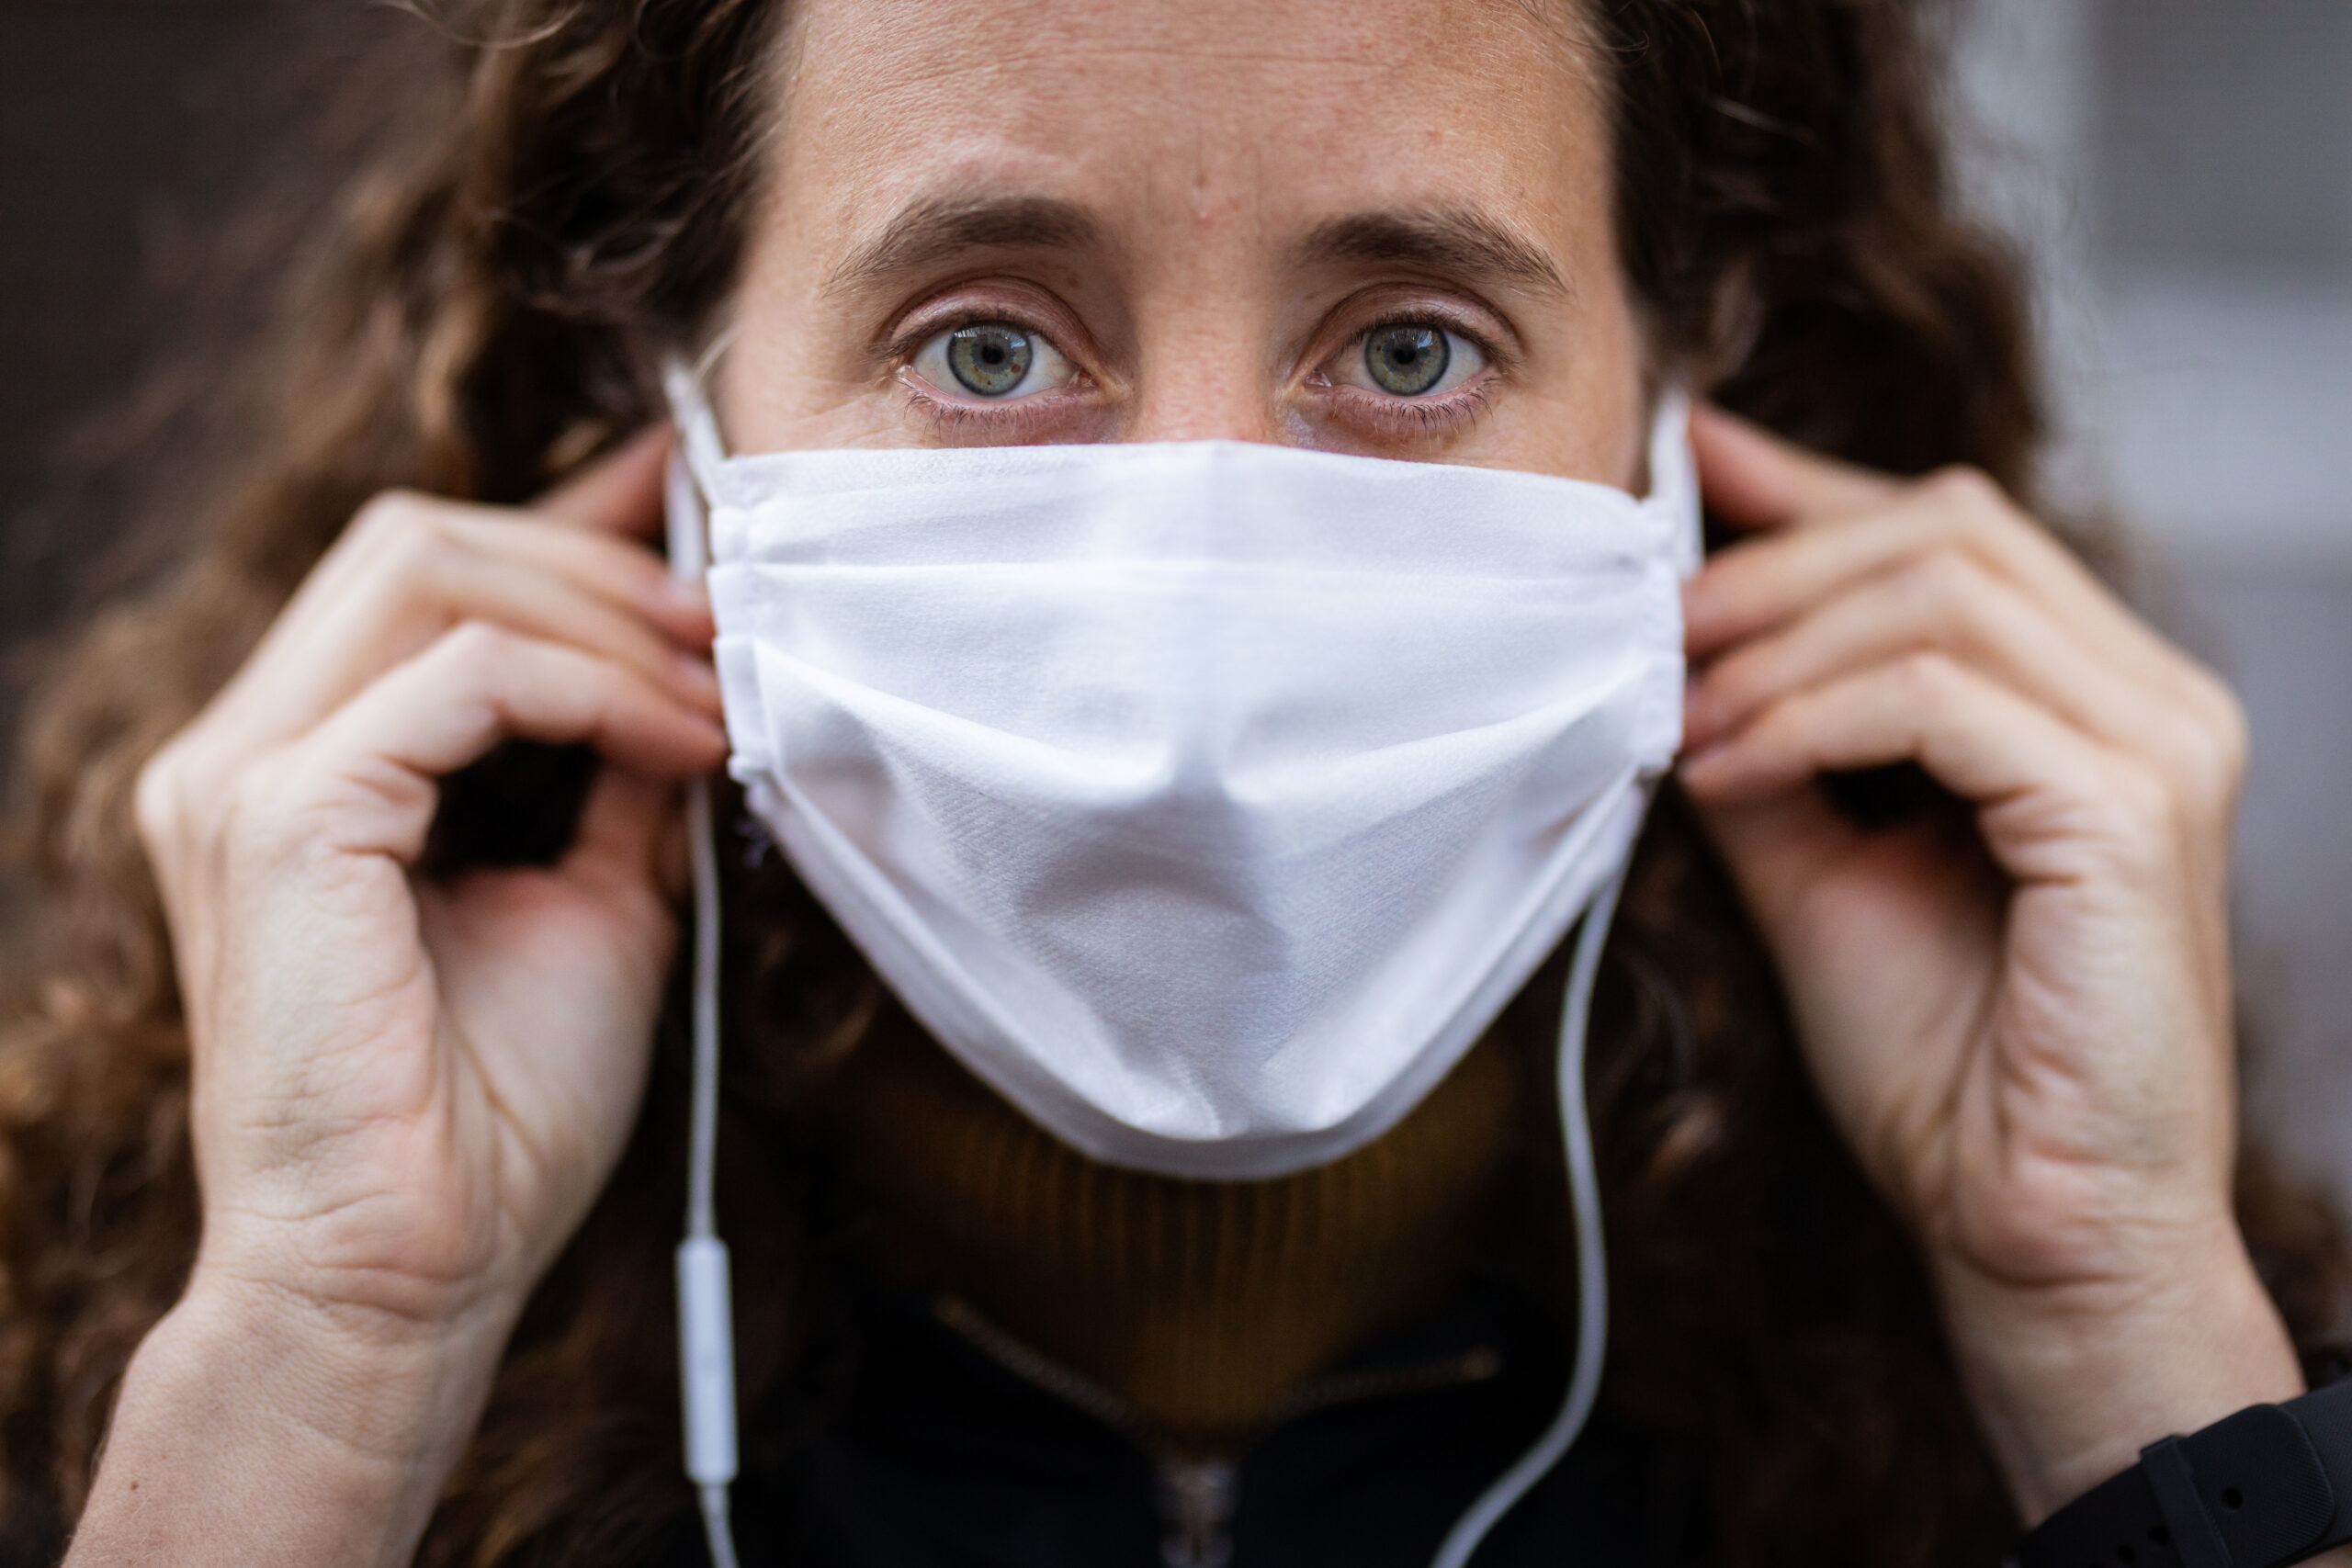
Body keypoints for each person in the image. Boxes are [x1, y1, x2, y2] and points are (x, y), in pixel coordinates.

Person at [2, 0, 2345, 1563]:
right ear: (682, 413)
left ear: (1675, 400)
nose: (1196, 589)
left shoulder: (2085, 1332)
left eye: (1407, 345)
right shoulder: (102, 1365)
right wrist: (320, 1359)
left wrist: (2113, 1321)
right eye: (988, 341)